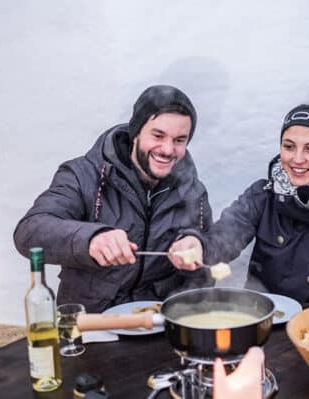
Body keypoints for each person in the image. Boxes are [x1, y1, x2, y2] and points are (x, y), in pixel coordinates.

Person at [169, 103, 309, 309]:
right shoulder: (263, 196)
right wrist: (197, 244)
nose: (297, 159)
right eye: (289, 147)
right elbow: (223, 238)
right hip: (261, 319)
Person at [14, 85, 213, 313]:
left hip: (158, 325)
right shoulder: (82, 175)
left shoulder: (194, 193)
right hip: (91, 323)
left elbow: (206, 265)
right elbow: (29, 232)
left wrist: (197, 246)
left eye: (179, 140)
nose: (168, 149)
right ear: (136, 132)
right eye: (158, 135)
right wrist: (91, 239)